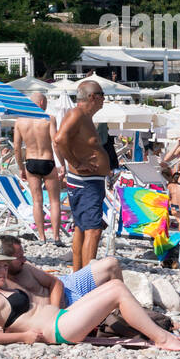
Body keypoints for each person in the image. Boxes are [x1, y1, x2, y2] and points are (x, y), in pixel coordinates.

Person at [0, 237, 180, 350]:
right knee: (117, 292)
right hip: (57, 330)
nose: (3, 270)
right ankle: (161, 338)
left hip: (61, 317)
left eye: (5, 265)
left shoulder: (1, 286)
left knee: (114, 286)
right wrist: (24, 337)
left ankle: (155, 330)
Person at [52, 81, 108, 272]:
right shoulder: (77, 114)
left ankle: (77, 274)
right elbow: (59, 140)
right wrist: (76, 163)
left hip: (88, 182)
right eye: (102, 95)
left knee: (82, 228)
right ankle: (86, 279)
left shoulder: (84, 117)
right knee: (93, 229)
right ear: (93, 97)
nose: (104, 99)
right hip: (87, 182)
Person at [0, 235, 121, 307]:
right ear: (5, 260)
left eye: (23, 255)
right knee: (115, 292)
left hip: (69, 285)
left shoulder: (25, 266)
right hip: (71, 307)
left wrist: (56, 313)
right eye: (19, 257)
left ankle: (119, 314)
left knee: (112, 263)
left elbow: (56, 283)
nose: (24, 259)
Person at [12, 93, 63, 245]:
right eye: (46, 103)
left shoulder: (20, 121)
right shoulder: (49, 119)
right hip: (47, 161)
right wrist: (62, 164)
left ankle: (42, 237)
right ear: (41, 103)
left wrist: (21, 168)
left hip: (31, 162)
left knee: (36, 202)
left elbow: (16, 147)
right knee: (54, 202)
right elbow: (55, 143)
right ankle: (56, 237)